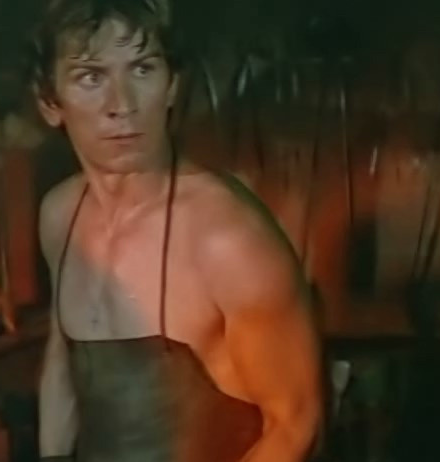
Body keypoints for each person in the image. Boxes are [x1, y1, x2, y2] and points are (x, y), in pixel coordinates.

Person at [30, 1, 323, 461]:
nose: (122, 105)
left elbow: (296, 423)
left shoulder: (224, 237)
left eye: (143, 69)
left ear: (171, 87)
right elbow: (62, 361)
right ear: (50, 103)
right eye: (91, 77)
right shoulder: (60, 215)